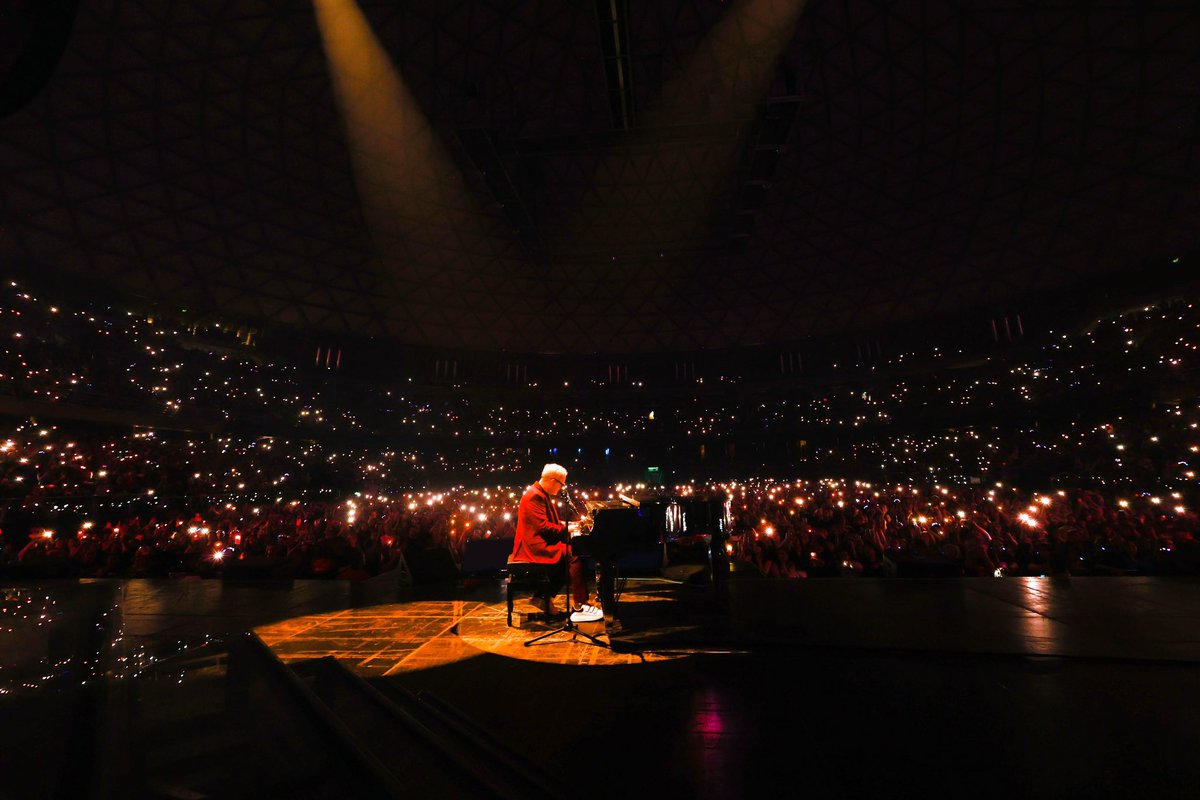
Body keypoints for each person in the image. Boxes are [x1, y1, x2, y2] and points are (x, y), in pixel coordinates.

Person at [511, 464, 602, 622]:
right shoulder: (535, 495)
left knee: (568, 558)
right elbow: (543, 527)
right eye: (561, 484)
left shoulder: (539, 492)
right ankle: (581, 604)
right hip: (534, 545)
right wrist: (566, 528)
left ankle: (543, 597)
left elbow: (545, 521)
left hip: (537, 541)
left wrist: (570, 525)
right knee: (573, 555)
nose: (561, 488)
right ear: (553, 481)